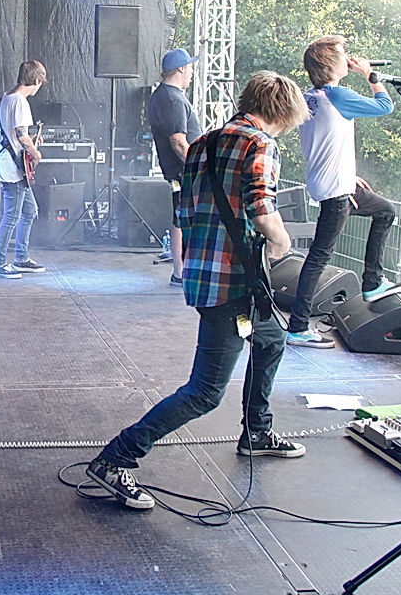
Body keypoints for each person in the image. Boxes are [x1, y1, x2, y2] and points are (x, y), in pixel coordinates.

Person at [87, 71, 310, 510]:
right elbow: (263, 209)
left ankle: (257, 432)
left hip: (207, 274)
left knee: (271, 340)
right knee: (206, 392)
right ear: (281, 111)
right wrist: (283, 244)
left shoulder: (203, 143)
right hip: (235, 285)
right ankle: (116, 458)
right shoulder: (259, 144)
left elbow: (184, 214)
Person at [286, 35, 401, 349]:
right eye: (342, 54)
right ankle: (298, 327)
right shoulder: (339, 94)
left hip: (334, 184)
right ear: (330, 64)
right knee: (318, 258)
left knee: (385, 210)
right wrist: (371, 76)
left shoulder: (311, 96)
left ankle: (372, 283)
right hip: (337, 191)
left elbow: (327, 141)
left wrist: (350, 174)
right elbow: (384, 106)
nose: (348, 58)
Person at [147, 48, 203, 287]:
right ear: (181, 68)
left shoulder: (165, 96)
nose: (191, 71)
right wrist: (201, 166)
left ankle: (181, 272)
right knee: (185, 218)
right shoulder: (171, 99)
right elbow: (179, 141)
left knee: (180, 217)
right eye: (189, 67)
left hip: (179, 172)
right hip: (184, 171)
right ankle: (182, 273)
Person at [0, 60, 47, 279]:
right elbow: (22, 136)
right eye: (40, 83)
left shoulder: (4, 98)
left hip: (10, 164)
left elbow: (13, 135)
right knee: (11, 217)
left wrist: (30, 142)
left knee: (29, 211)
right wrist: (35, 152)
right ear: (36, 80)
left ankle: (21, 258)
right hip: (13, 169)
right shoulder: (20, 102)